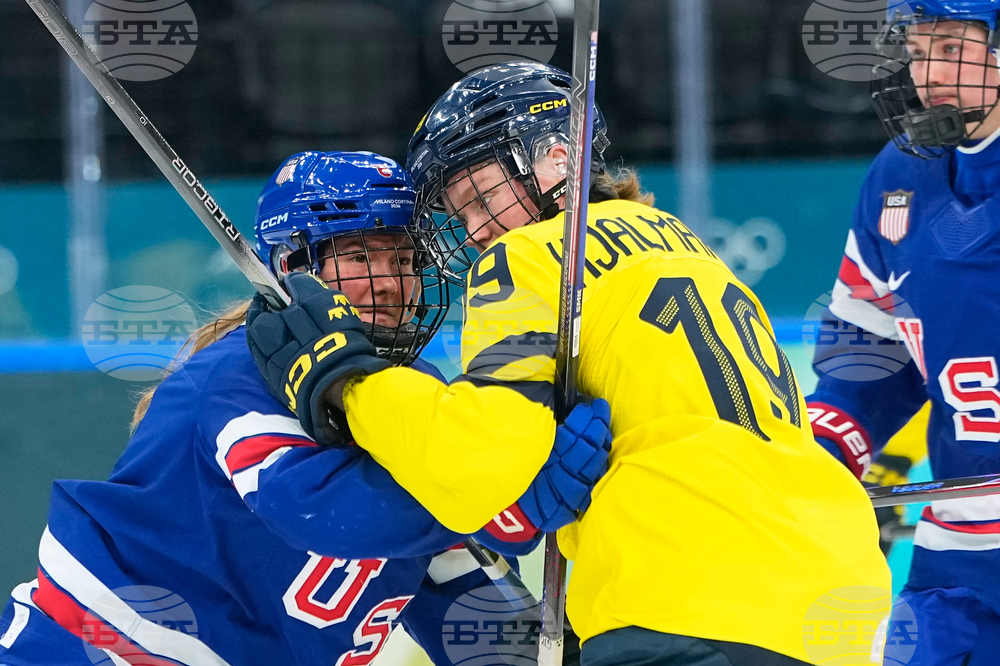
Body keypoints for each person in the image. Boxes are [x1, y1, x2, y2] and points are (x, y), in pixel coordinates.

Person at [248, 64, 891, 666]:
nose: (473, 231)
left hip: (686, 597)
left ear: (555, 157)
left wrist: (345, 379)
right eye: (459, 213)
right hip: (837, 593)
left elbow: (484, 455)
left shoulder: (528, 254)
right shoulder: (685, 243)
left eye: (478, 197)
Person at [0, 151, 611, 666]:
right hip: (95, 643)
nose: (391, 283)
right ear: (293, 267)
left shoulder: (415, 392)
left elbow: (453, 588)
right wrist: (501, 489)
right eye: (360, 257)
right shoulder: (236, 372)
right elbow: (323, 512)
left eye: (403, 260)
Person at [806, 2, 1000, 663]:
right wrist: (826, 448)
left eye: (951, 48)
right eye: (920, 52)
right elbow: (874, 347)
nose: (929, 73)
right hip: (959, 556)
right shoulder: (900, 175)